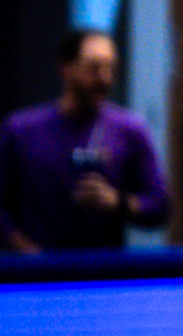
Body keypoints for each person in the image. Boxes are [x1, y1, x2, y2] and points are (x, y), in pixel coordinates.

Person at [0, 30, 168, 253]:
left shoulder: (129, 130)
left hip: (102, 274)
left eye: (111, 69)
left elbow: (160, 205)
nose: (105, 78)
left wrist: (118, 202)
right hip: (35, 276)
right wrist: (26, 251)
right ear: (65, 68)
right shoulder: (21, 130)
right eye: (94, 68)